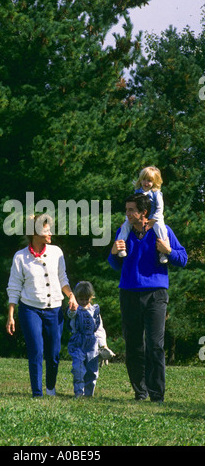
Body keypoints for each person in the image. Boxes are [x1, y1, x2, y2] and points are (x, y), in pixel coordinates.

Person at [108, 193, 187, 403]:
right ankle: (140, 392)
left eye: (131, 210)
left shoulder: (163, 231)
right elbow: (115, 265)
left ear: (144, 212)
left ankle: (157, 394)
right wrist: (114, 252)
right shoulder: (123, 232)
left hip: (156, 295)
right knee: (134, 345)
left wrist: (168, 250)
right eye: (126, 210)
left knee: (155, 345)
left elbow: (183, 259)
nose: (127, 214)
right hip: (129, 294)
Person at [6, 213, 78, 398]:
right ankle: (37, 394)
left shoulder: (56, 252)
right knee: (36, 350)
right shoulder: (20, 257)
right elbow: (14, 286)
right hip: (30, 309)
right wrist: (11, 315)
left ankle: (51, 389)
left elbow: (63, 279)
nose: (50, 232)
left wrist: (71, 296)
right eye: (47, 229)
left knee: (54, 354)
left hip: (54, 308)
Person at [67, 281, 115, 398]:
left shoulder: (95, 311)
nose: (83, 302)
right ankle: (79, 392)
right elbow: (70, 315)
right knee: (78, 368)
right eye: (80, 299)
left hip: (92, 344)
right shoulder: (75, 309)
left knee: (92, 370)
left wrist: (103, 345)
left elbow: (99, 329)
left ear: (91, 297)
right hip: (78, 342)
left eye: (86, 299)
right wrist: (73, 308)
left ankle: (88, 394)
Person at [117, 166, 168, 263]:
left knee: (160, 228)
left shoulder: (156, 194)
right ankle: (121, 246)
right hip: (139, 217)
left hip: (154, 216)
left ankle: (162, 252)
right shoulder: (138, 192)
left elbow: (159, 208)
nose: (146, 183)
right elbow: (131, 207)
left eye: (149, 180)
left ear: (155, 182)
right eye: (144, 179)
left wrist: (153, 220)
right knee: (125, 227)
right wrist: (127, 220)